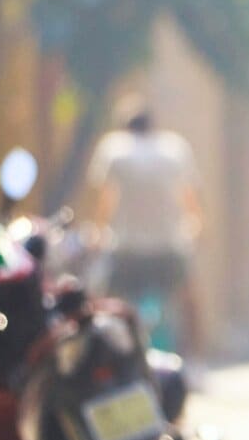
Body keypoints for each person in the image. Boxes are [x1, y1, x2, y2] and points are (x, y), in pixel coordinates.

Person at [87, 97, 203, 354]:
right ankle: (196, 359)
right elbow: (189, 200)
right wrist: (196, 228)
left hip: (125, 249)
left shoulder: (114, 150)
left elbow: (106, 200)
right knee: (189, 300)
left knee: (101, 301)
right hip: (168, 247)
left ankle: (99, 353)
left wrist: (97, 233)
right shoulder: (174, 150)